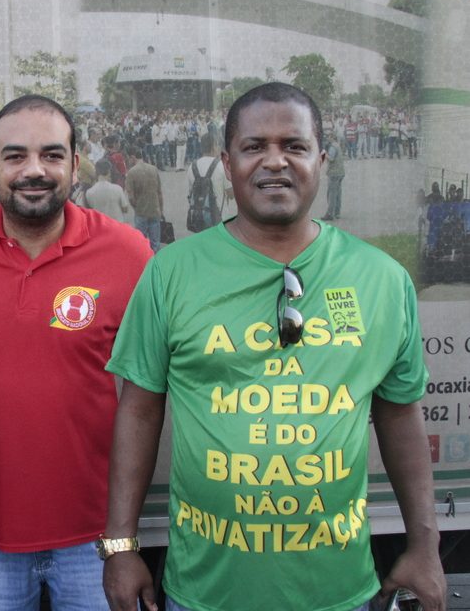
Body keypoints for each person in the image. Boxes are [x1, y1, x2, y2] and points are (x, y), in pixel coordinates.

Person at [102, 83, 445, 611]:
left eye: (294, 146)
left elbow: (399, 417)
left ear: (322, 160)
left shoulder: (381, 278)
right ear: (227, 162)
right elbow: (140, 410)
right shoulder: (171, 272)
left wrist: (424, 545)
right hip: (205, 592)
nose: (275, 161)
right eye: (255, 146)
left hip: (339, 592)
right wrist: (121, 546)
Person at [0, 94, 152, 611]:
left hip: (94, 535)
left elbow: (156, 389)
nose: (35, 170)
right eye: (15, 156)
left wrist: (122, 539)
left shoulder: (127, 252)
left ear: (76, 165)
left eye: (52, 155)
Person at [124, 144, 164, 251]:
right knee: (155, 243)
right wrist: (161, 209)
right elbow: (159, 192)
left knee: (141, 243)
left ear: (132, 157)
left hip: (141, 211)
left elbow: (131, 197)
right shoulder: (153, 169)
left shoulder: (131, 173)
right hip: (154, 209)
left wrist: (136, 207)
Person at [323, 130, 345, 221]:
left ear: (332, 137)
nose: (327, 138)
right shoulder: (338, 145)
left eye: (329, 136)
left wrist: (324, 154)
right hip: (340, 172)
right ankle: (337, 212)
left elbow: (331, 159)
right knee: (338, 193)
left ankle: (330, 214)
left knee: (332, 194)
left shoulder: (332, 147)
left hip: (334, 173)